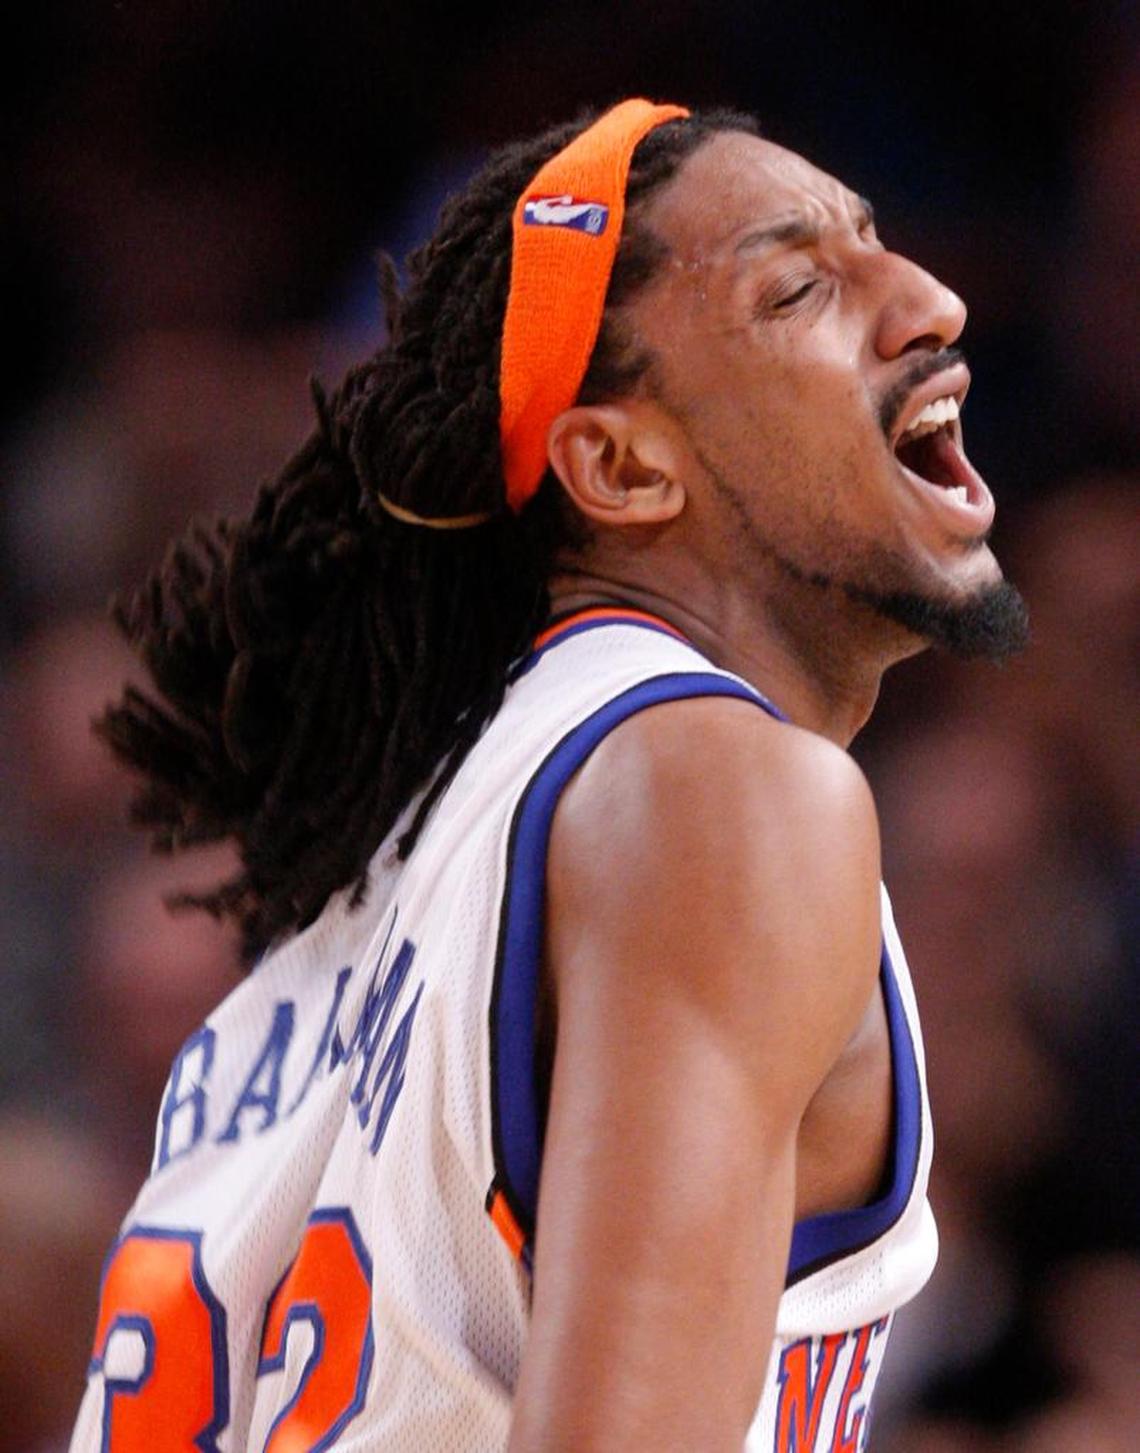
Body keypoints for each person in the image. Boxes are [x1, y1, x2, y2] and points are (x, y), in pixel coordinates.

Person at [70, 98, 1028, 1451]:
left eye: (880, 246)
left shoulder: (386, 866)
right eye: (801, 286)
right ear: (621, 465)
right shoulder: (719, 788)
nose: (931, 300)